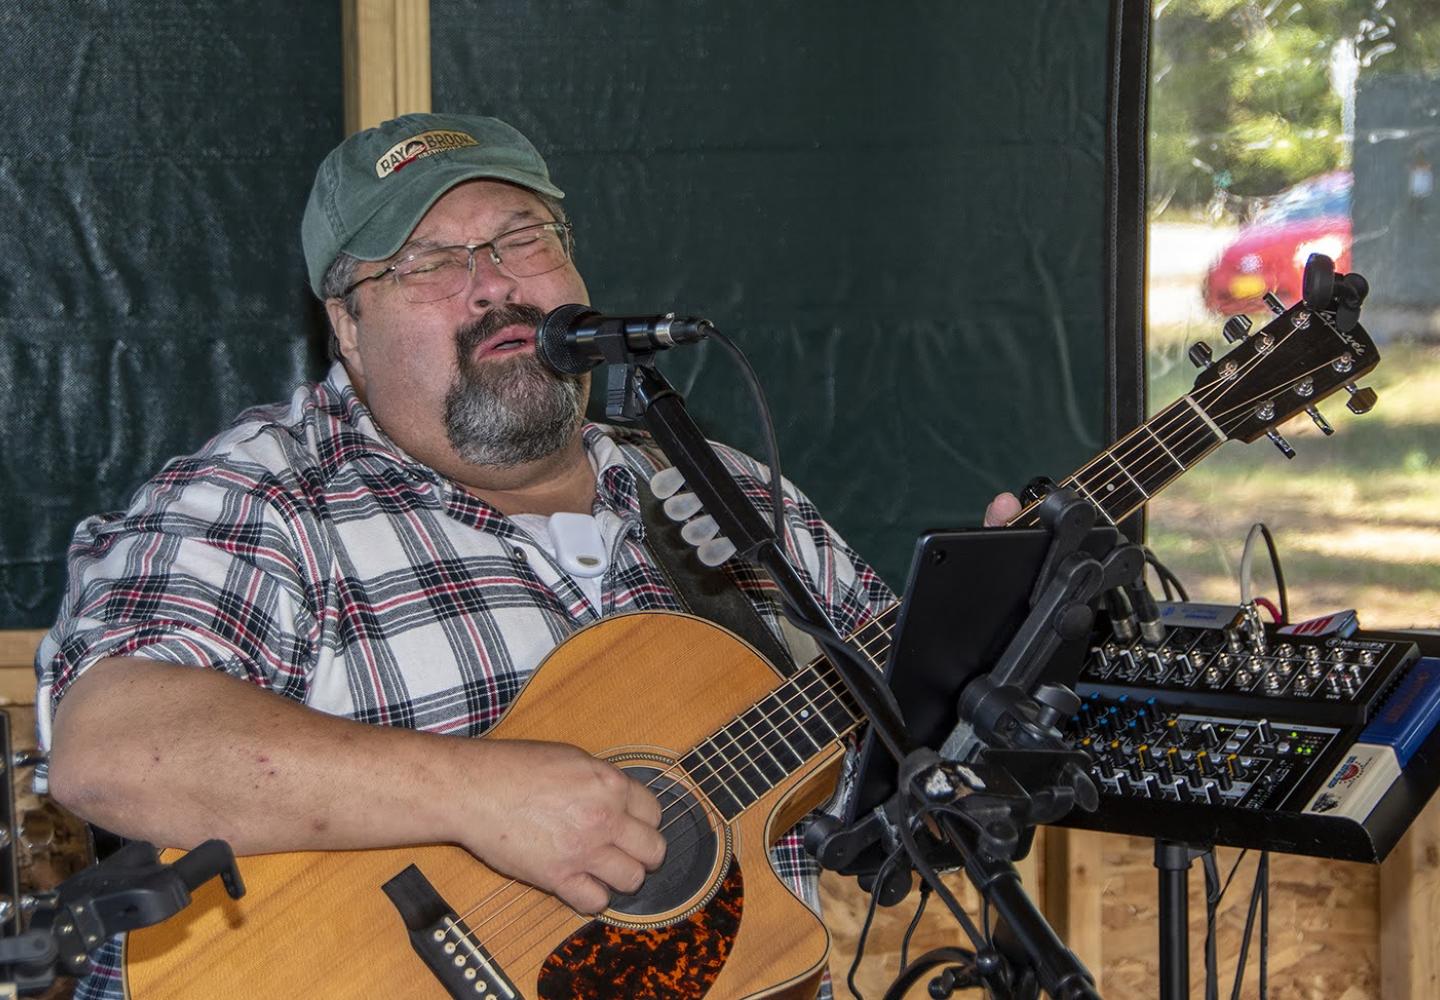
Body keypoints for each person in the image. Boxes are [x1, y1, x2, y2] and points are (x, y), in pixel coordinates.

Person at [37, 112, 1021, 998]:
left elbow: (905, 738)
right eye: (427, 260)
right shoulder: (262, 494)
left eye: (522, 239)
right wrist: (479, 793)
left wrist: (1000, 618)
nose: (495, 285)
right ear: (346, 323)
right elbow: (119, 749)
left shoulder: (730, 496)